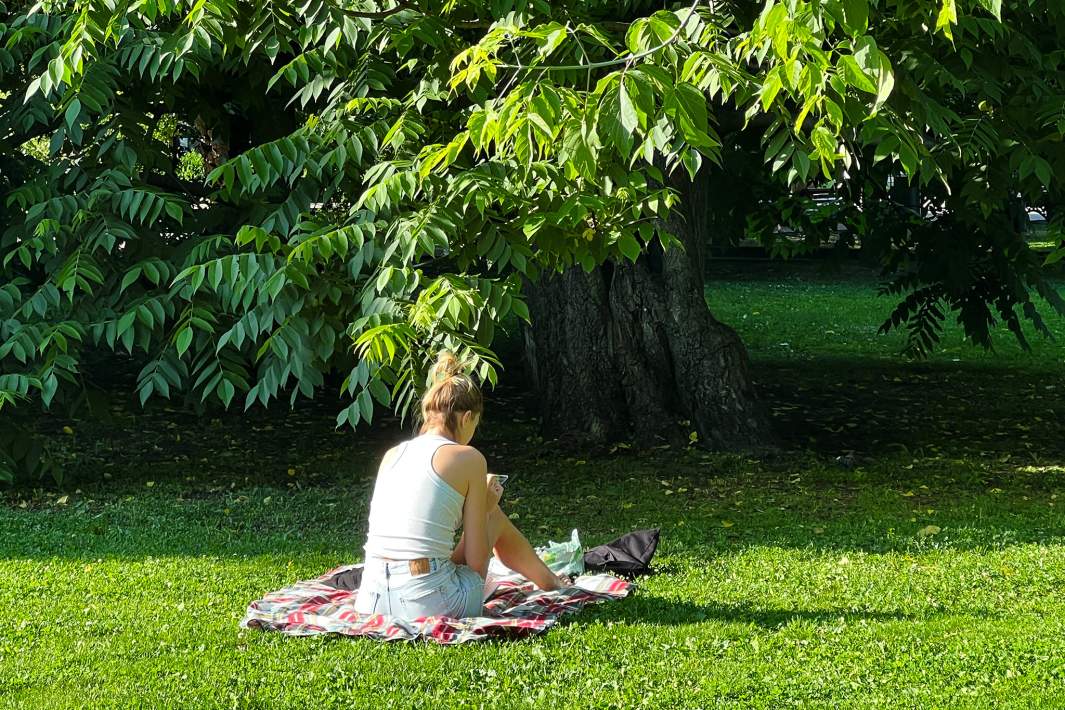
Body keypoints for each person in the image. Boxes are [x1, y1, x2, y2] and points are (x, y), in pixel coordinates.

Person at [355, 351, 565, 619]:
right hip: (428, 604)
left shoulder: (392, 455)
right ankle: (552, 582)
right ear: (466, 418)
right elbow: (476, 564)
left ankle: (549, 579)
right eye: (475, 423)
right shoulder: (469, 459)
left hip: (371, 600)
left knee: (454, 547)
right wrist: (487, 508)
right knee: (495, 517)